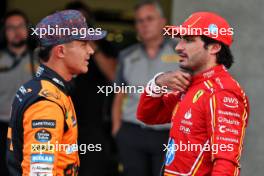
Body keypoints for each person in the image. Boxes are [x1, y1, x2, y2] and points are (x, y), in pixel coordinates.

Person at [137, 11, 250, 175]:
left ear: (214, 47)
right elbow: (147, 115)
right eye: (180, 39)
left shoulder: (222, 91)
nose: (178, 47)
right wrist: (158, 82)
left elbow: (226, 162)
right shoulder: (193, 84)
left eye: (188, 40)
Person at [6, 10, 105, 175]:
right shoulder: (46, 104)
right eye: (83, 44)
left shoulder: (44, 87)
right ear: (60, 51)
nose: (91, 51)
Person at [112, 1, 180, 176]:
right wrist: (117, 128)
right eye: (139, 20)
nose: (144, 24)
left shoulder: (180, 51)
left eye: (149, 19)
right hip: (132, 130)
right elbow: (119, 94)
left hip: (169, 133)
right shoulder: (126, 55)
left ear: (163, 21)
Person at [65, 2, 119, 176]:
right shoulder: (60, 44)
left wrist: (90, 44)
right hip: (61, 121)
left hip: (93, 126)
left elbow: (113, 74)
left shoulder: (100, 43)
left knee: (92, 169)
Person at [0, 9, 37, 175]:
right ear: (4, 32)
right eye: (10, 27)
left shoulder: (41, 59)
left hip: (32, 130)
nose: (16, 31)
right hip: (3, 127)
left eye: (20, 26)